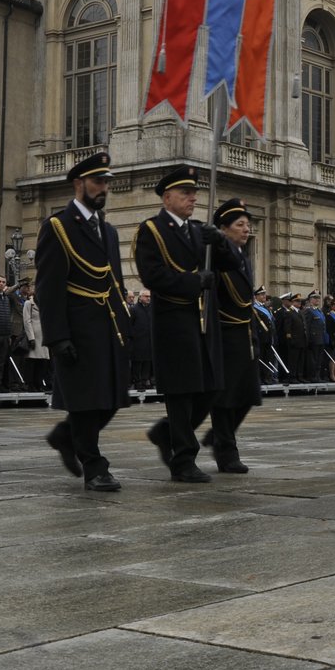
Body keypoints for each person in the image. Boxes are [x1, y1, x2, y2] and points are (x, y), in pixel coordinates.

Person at [36, 151, 132, 492]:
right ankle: (95, 466)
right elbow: (48, 287)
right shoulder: (59, 226)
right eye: (97, 182)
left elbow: (115, 283)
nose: (103, 187)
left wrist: (126, 325)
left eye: (106, 182)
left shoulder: (108, 231)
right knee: (86, 400)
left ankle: (65, 436)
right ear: (79, 184)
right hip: (78, 329)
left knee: (111, 398)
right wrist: (57, 337)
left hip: (108, 327)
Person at [134, 164, 234, 484]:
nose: (193, 198)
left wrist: (218, 240)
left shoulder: (196, 231)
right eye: (185, 193)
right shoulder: (151, 230)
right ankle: (183, 459)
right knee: (181, 393)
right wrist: (195, 281)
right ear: (167, 198)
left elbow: (232, 263)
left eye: (194, 193)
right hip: (172, 320)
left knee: (210, 389)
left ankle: (168, 435)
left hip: (201, 321)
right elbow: (153, 275)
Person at [202, 199, 260, 474]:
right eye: (240, 225)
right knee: (225, 400)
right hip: (224, 333)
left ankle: (218, 437)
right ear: (224, 229)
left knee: (248, 395)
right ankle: (227, 452)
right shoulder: (215, 255)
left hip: (244, 333)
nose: (247, 230)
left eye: (248, 225)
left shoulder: (244, 257)